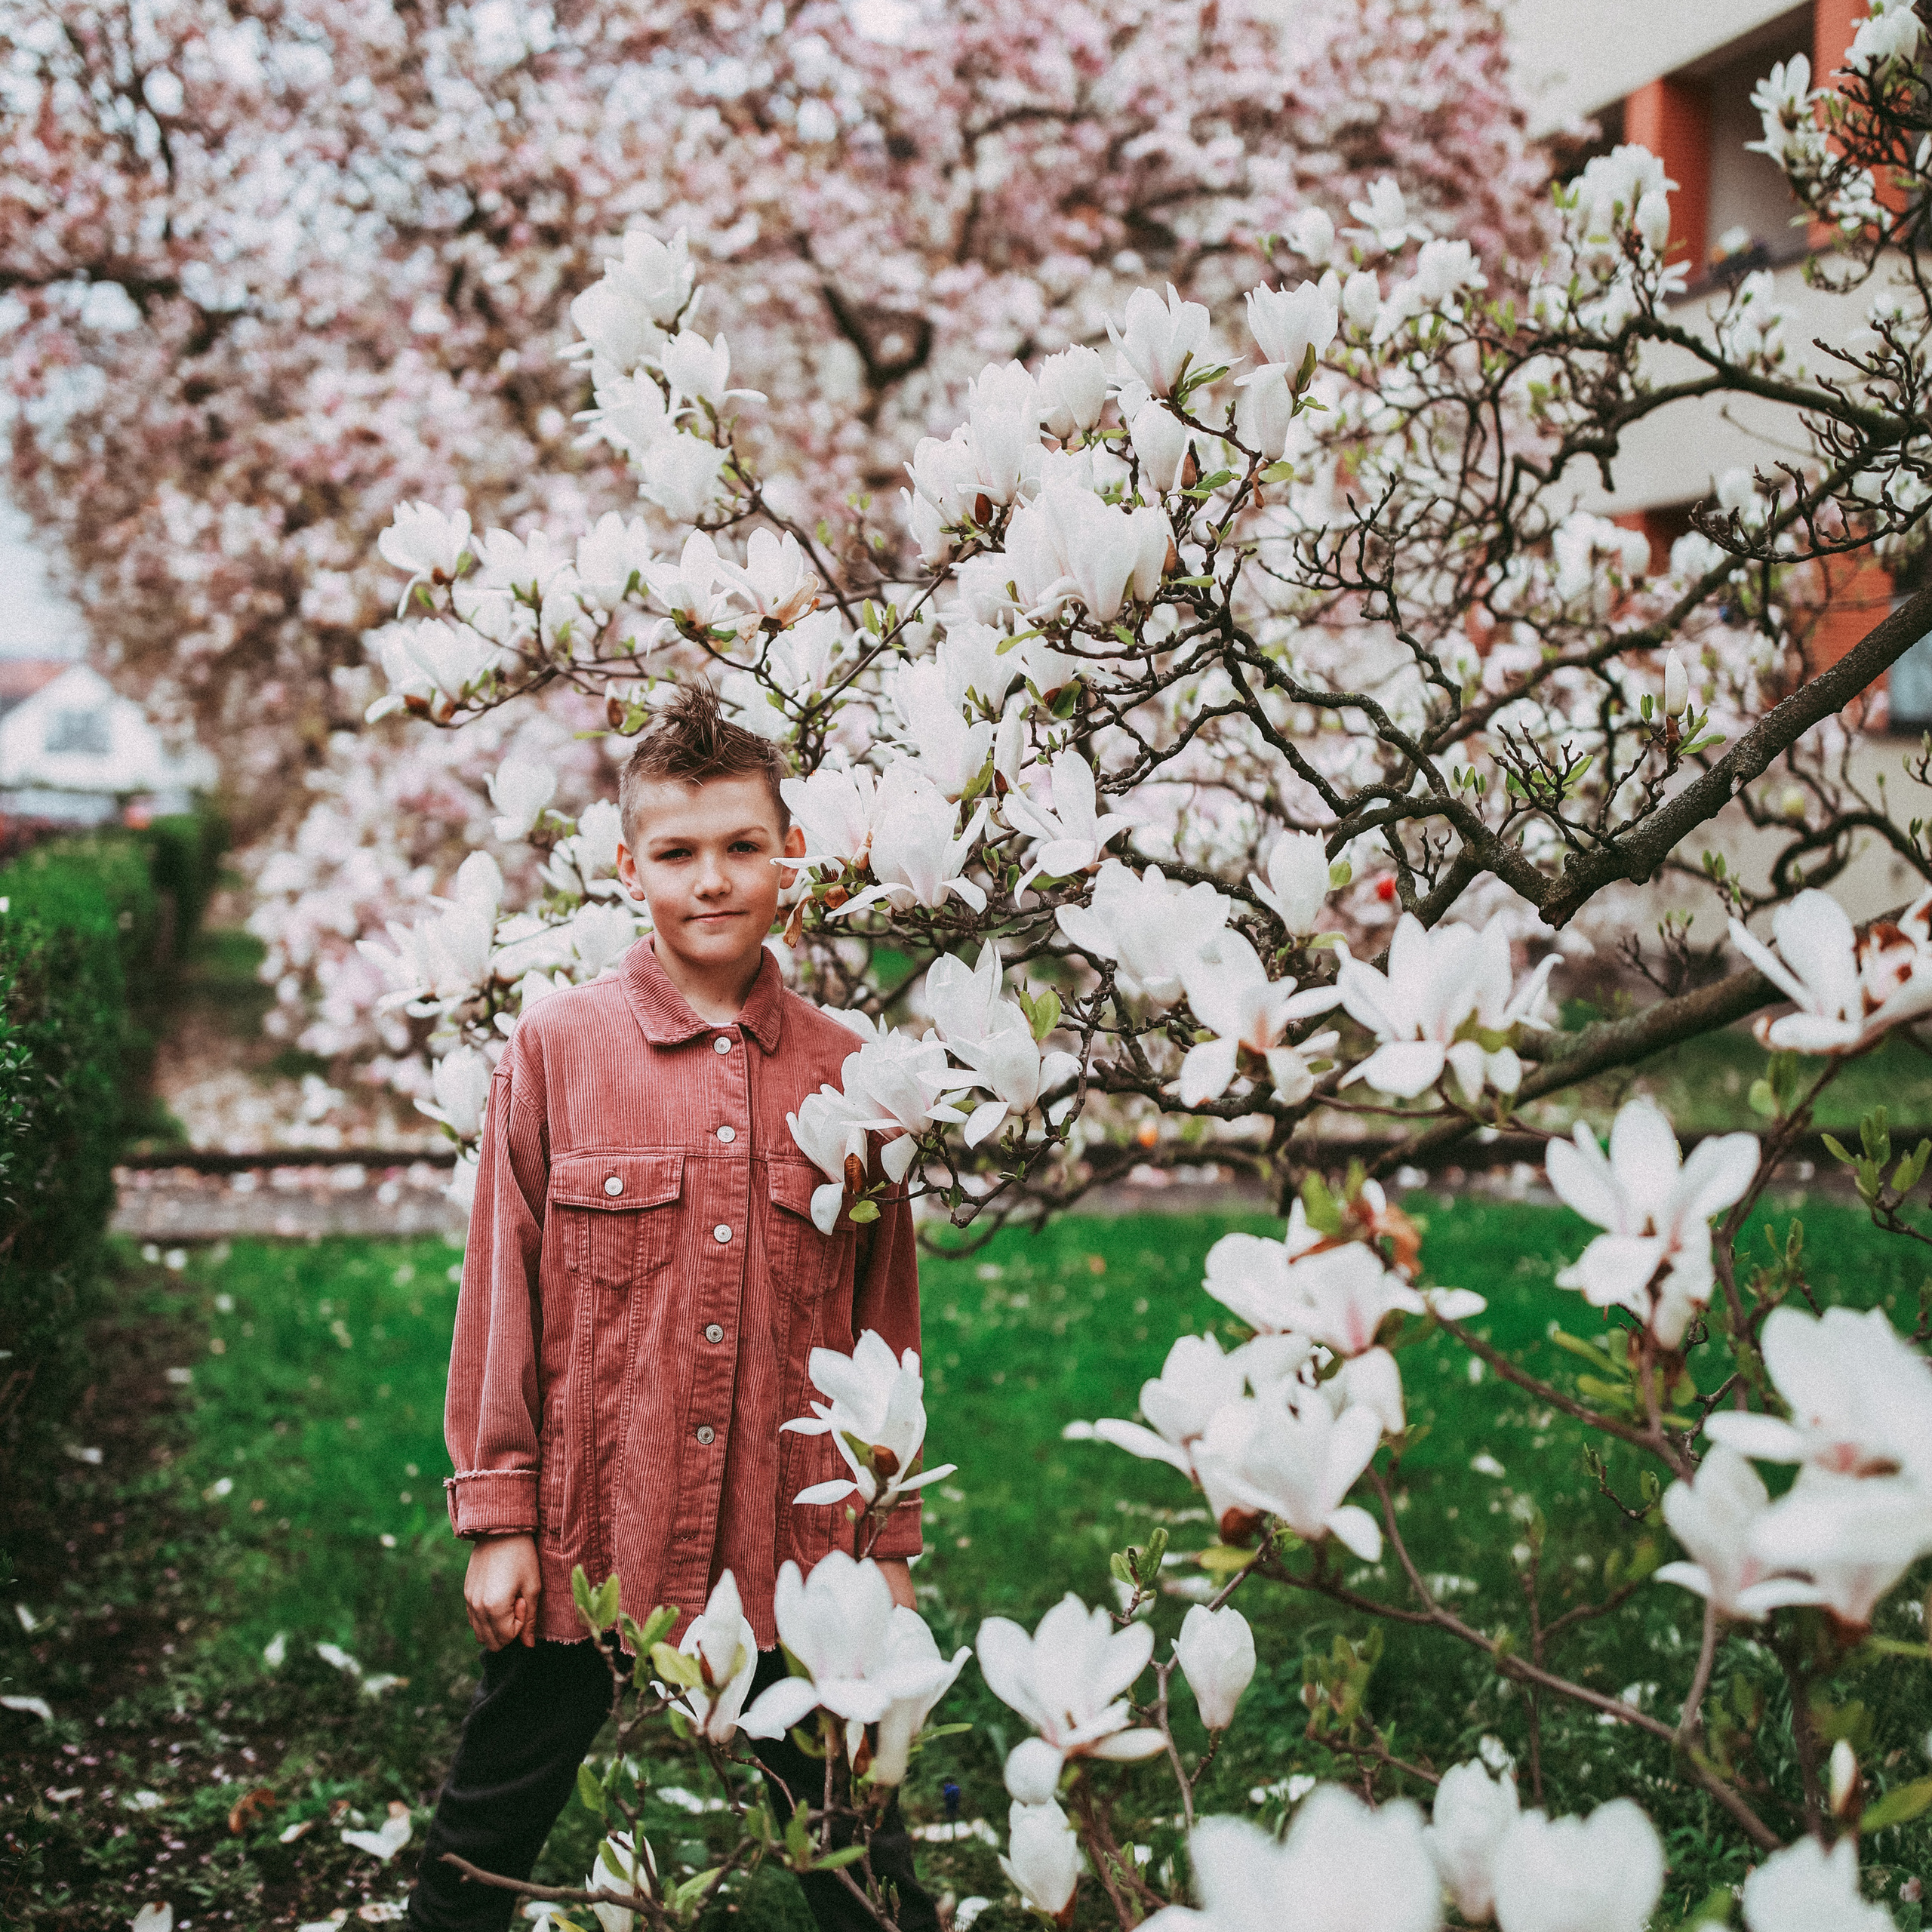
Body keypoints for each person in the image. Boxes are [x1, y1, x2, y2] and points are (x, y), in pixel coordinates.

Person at [405, 684, 937, 1932]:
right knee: (484, 1839)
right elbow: (502, 1299)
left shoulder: (853, 1072)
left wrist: (889, 1544)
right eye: (680, 852)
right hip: (598, 1529)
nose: (714, 880)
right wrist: (500, 1517)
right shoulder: (556, 1050)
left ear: (789, 858)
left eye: (744, 847)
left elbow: (883, 1326)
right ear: (630, 867)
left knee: (864, 1862)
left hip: (791, 1546)